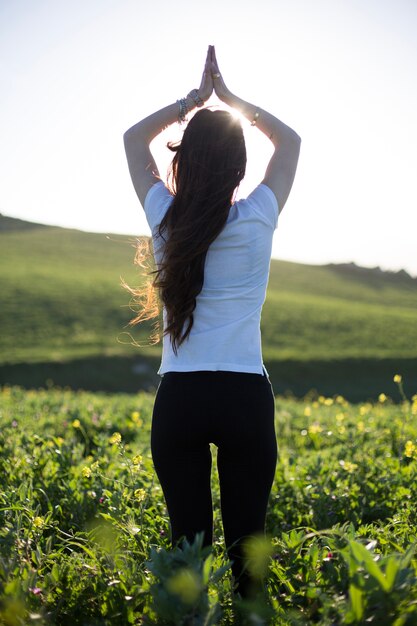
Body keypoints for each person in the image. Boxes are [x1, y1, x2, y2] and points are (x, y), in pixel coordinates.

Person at [123, 45, 301, 598]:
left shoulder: (164, 218)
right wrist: (231, 101)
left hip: (181, 400)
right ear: (240, 167)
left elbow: (132, 140)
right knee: (249, 553)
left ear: (184, 161)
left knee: (190, 554)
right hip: (246, 396)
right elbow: (291, 142)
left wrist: (192, 101)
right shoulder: (258, 217)